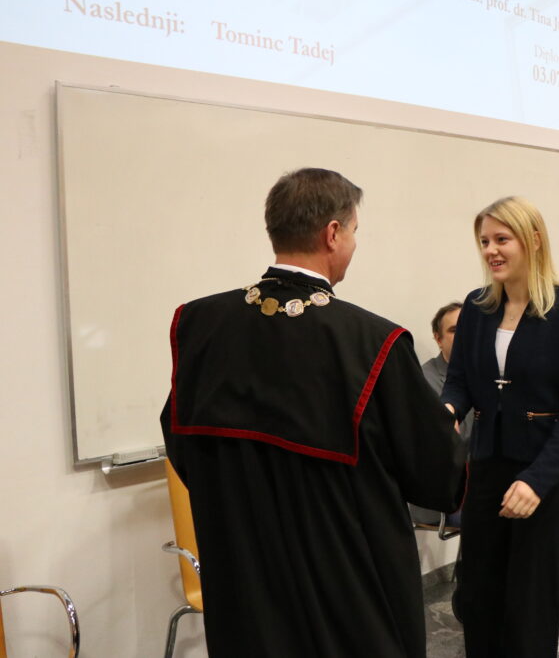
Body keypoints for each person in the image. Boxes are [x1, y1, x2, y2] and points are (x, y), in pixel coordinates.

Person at [160, 167, 467, 658]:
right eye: (355, 231)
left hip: (244, 576)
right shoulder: (372, 342)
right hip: (345, 587)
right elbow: (435, 473)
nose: (354, 244)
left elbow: (181, 442)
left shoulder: (202, 324)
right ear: (333, 233)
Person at [441, 196, 559, 657]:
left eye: (501, 239)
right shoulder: (477, 307)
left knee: (530, 612)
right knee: (478, 602)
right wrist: (447, 411)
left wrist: (536, 481)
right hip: (487, 472)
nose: (491, 250)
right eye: (484, 241)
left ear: (533, 240)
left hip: (544, 478)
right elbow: (459, 381)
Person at [410, 300, 473, 527]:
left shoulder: (484, 374)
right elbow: (452, 443)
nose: (464, 335)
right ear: (438, 339)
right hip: (446, 496)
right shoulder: (425, 380)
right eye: (454, 330)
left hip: (480, 485)